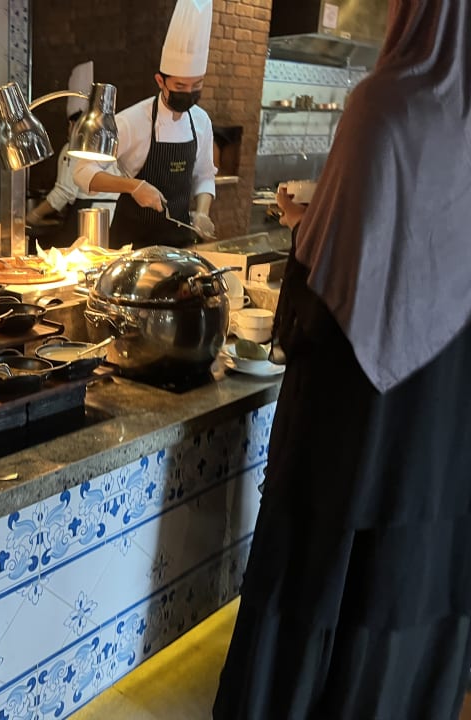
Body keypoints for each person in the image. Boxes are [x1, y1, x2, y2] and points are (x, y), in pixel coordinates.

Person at [213, 0, 471, 718]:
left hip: (355, 424)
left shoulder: (384, 103)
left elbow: (324, 294)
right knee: (403, 601)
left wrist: (308, 227)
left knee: (322, 588)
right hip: (447, 427)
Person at [73, 0, 216, 249]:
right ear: (160, 81)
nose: (189, 93)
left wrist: (203, 212)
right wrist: (133, 186)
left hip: (179, 246)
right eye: (180, 86)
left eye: (197, 85)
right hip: (131, 247)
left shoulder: (201, 121)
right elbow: (82, 173)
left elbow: (204, 175)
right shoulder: (132, 121)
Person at [27, 61, 119, 248]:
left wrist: (34, 215)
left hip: (88, 218)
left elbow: (64, 191)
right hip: (114, 218)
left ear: (72, 124)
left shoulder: (75, 147)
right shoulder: (108, 144)